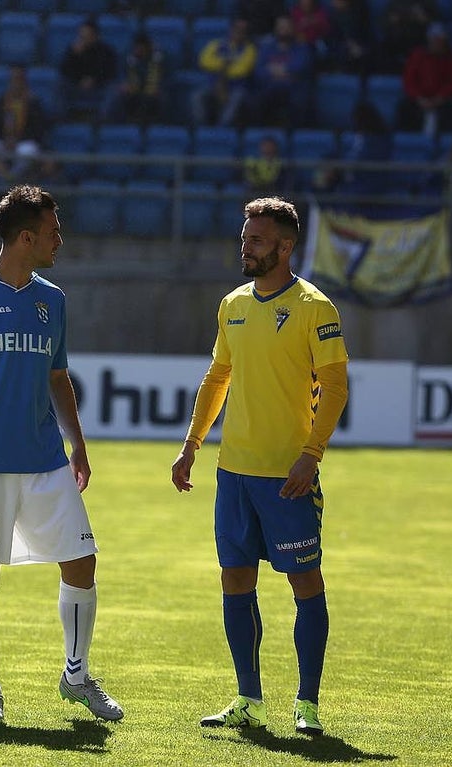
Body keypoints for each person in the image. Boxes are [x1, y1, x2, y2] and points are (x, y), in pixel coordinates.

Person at [0, 185, 124, 726]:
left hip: (45, 459)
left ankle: (76, 676)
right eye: (53, 231)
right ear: (27, 236)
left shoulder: (52, 300)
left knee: (82, 562)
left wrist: (77, 442)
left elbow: (59, 378)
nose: (61, 239)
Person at [171, 196, 349, 737]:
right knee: (235, 579)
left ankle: (307, 703)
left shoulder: (316, 308)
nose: (245, 246)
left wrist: (310, 455)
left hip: (288, 475)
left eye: (256, 239)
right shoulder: (232, 304)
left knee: (305, 583)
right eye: (244, 237)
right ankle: (249, 697)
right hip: (234, 474)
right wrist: (192, 444)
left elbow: (337, 387)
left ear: (285, 246)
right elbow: (217, 376)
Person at [0, 66, 46, 182]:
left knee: (29, 152)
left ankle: (12, 177)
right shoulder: (2, 100)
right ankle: (1, 173)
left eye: (18, 79)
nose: (15, 83)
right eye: (13, 79)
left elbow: (38, 128)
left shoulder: (33, 102)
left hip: (23, 142)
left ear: (24, 81)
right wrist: (5, 139)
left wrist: (17, 140)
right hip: (3, 141)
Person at [396, 22, 452, 136]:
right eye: (434, 39)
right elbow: (409, 80)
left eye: (439, 40)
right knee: (404, 107)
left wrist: (440, 98)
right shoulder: (417, 56)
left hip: (444, 100)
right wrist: (419, 98)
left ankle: (447, 143)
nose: (436, 43)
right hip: (419, 99)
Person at [245, 16, 314, 128]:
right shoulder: (267, 48)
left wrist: (273, 69)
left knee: (300, 102)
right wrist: (285, 71)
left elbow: (299, 67)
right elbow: (259, 70)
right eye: (281, 27)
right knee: (254, 101)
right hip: (269, 88)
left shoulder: (302, 47)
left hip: (293, 89)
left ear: (293, 29)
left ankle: (294, 136)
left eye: (287, 27)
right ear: (276, 29)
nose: (284, 30)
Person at [191, 18, 258, 127]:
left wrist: (220, 66)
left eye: (242, 30)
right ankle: (202, 129)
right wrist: (226, 64)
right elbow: (204, 61)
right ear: (231, 29)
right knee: (196, 96)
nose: (239, 32)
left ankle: (221, 128)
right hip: (213, 85)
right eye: (236, 29)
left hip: (236, 87)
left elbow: (242, 70)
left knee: (237, 98)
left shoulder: (250, 49)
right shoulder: (216, 44)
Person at [58, 19, 118, 121]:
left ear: (96, 36)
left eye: (87, 35)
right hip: (77, 87)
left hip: (99, 88)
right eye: (82, 35)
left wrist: (94, 80)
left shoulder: (106, 51)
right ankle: (59, 118)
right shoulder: (73, 50)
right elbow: (64, 70)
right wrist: (74, 56)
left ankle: (103, 120)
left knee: (113, 88)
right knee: (60, 83)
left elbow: (110, 72)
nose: (83, 38)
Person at [104, 32, 164, 125]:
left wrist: (157, 86)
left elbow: (167, 77)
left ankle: (158, 128)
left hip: (154, 91)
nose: (139, 51)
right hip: (133, 90)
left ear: (148, 47)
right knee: (116, 93)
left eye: (142, 49)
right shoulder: (127, 57)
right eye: (137, 48)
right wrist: (125, 84)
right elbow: (121, 75)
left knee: (160, 97)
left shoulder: (160, 58)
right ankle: (111, 125)